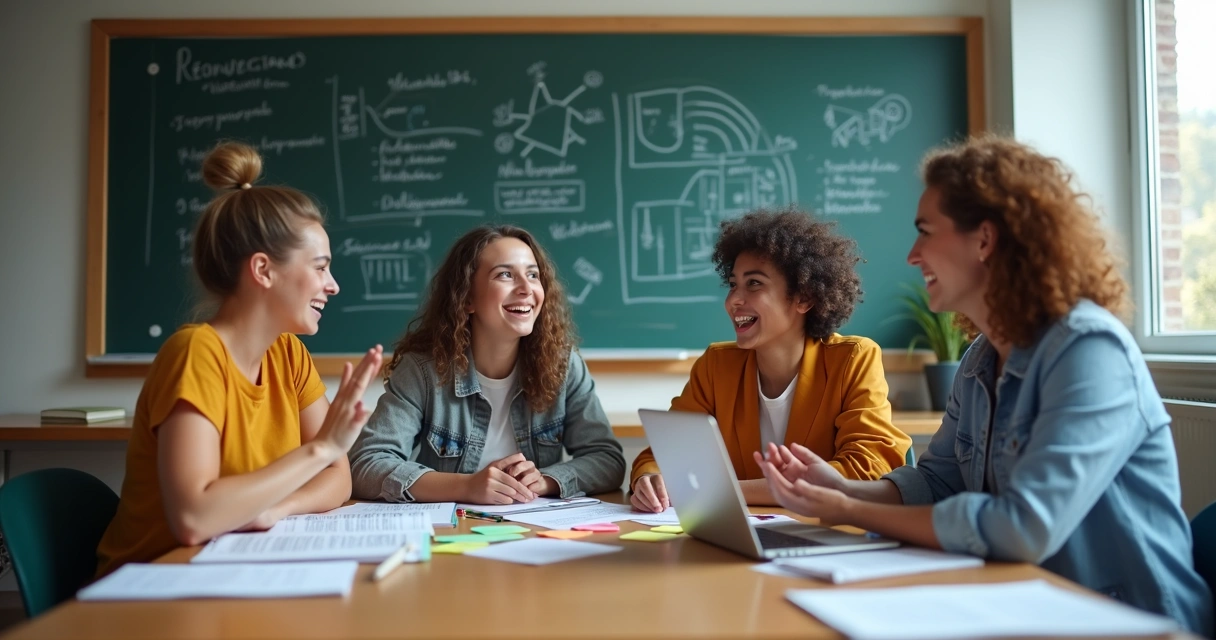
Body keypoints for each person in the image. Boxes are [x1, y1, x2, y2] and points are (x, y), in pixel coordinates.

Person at [756, 136, 1213, 635]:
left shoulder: (1089, 351)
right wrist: (842, 486)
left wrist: (849, 509)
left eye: (926, 231)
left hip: (1128, 621)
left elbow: (1024, 528)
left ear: (984, 240)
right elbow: (938, 483)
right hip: (1021, 608)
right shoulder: (980, 361)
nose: (912, 255)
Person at [96, 142, 383, 577]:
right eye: (321, 267)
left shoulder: (289, 354)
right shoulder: (196, 354)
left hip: (231, 572)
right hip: (154, 589)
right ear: (263, 270)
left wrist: (277, 509)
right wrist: (321, 447)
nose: (333, 285)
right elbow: (194, 518)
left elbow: (338, 479)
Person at [630, 208, 911, 513]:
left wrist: (719, 491)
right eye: (733, 284)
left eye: (754, 284)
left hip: (826, 541)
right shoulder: (716, 365)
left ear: (803, 298)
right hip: (739, 542)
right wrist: (651, 477)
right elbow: (662, 454)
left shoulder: (854, 359)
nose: (734, 300)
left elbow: (866, 470)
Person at [348, 225, 624, 504]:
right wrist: (466, 487)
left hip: (536, 531)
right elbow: (365, 464)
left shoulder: (563, 366)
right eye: (505, 275)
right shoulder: (422, 371)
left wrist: (546, 480)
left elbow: (607, 459)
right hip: (455, 534)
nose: (527, 289)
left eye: (532, 275)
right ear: (467, 298)